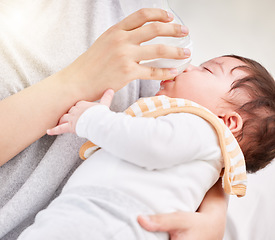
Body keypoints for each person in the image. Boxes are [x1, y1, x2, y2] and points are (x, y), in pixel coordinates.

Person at [0, 1, 227, 240]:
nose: (192, 69)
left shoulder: (147, 16)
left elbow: (205, 127)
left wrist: (214, 213)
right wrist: (78, 81)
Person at [18, 55, 275, 239]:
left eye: (207, 70)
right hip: (85, 213)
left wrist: (92, 119)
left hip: (115, 221)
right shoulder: (194, 140)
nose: (189, 67)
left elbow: (153, 144)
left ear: (228, 121)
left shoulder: (204, 128)